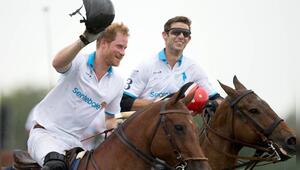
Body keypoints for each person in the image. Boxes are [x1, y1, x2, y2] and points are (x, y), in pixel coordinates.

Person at [27, 22, 129, 169]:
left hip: (74, 143)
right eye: (119, 46)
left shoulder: (118, 83)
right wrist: (83, 39)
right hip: (45, 134)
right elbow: (57, 63)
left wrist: (120, 134)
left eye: (125, 48)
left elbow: (110, 120)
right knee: (56, 166)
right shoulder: (78, 61)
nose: (123, 52)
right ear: (103, 43)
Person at [121, 16, 222, 113]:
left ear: (189, 39)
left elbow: (218, 99)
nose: (181, 36)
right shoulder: (146, 65)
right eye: (176, 32)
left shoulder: (194, 68)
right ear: (165, 35)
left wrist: (211, 104)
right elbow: (124, 102)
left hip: (178, 127)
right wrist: (164, 104)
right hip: (147, 125)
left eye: (186, 34)